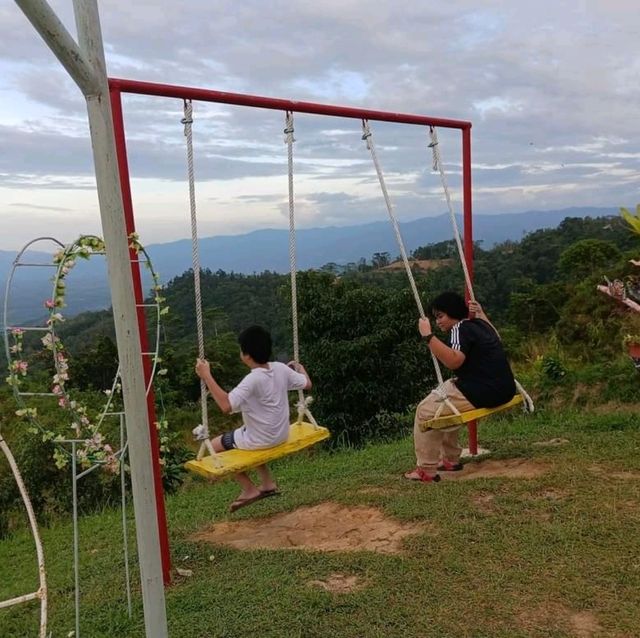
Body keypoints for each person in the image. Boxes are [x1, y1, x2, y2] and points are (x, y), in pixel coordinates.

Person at [195, 325, 311, 511]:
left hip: (260, 439)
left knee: (216, 446)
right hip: (281, 434)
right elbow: (307, 384)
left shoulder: (252, 379)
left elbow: (226, 405)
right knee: (248, 433)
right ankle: (267, 483)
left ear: (246, 355)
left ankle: (249, 489)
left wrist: (206, 376)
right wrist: (301, 369)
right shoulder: (280, 369)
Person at [404, 292, 516, 483]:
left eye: (440, 316)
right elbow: (497, 337)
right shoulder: (480, 324)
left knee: (425, 411)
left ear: (453, 313)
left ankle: (426, 470)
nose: (438, 322)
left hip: (484, 392)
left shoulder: (459, 329)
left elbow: (454, 361)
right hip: (505, 388)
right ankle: (450, 459)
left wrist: (428, 336)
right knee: (446, 392)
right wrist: (481, 313)